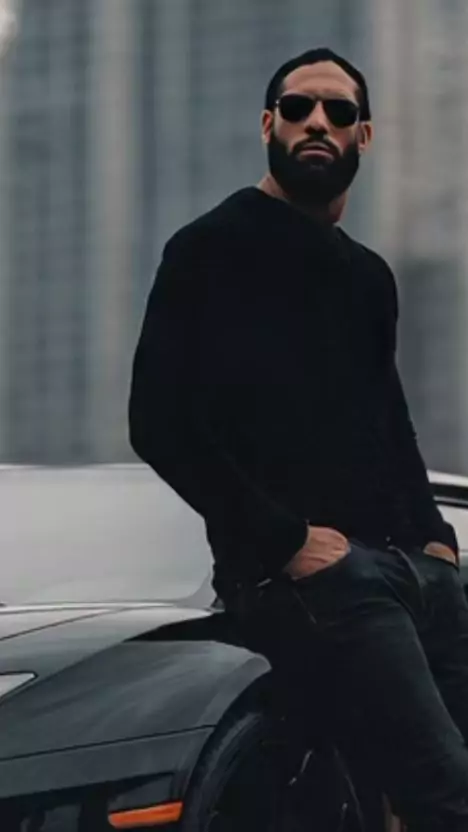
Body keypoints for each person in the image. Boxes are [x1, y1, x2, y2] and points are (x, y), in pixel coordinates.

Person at [128, 47, 468, 831]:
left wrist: (436, 542)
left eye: (338, 112)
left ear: (363, 135)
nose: (317, 122)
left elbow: (388, 423)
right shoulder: (208, 249)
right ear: (267, 124)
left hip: (411, 573)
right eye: (297, 108)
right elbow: (158, 421)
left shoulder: (369, 277)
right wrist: (285, 540)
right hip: (307, 582)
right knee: (448, 794)